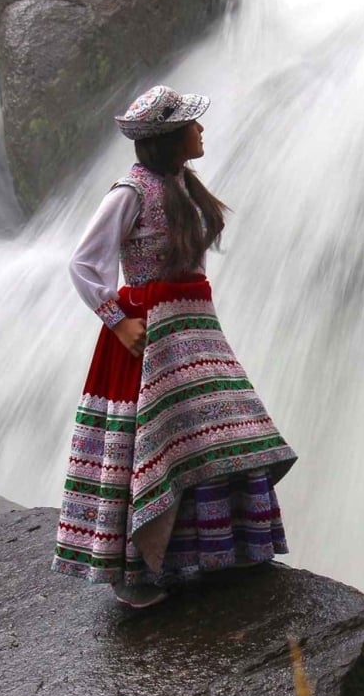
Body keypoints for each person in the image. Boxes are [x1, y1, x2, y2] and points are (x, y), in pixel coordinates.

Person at [51, 85, 297, 608]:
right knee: (148, 443)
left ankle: (221, 549)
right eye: (191, 123)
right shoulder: (130, 192)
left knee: (214, 428)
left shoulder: (182, 183)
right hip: (146, 335)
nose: (201, 129)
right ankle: (133, 570)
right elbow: (83, 263)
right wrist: (117, 321)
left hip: (191, 326)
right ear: (169, 138)